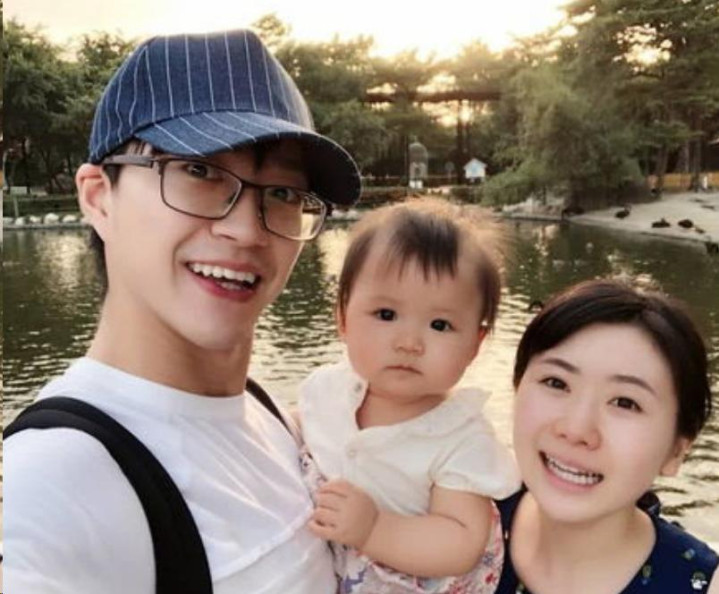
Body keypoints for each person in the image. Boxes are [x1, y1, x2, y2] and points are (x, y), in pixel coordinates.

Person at [4, 29, 362, 594]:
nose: (246, 230)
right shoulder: (55, 482)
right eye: (199, 172)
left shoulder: (264, 410)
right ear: (99, 197)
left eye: (283, 194)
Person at [298, 199, 521, 593]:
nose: (409, 343)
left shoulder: (462, 439)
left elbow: (460, 543)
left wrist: (374, 528)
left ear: (475, 344)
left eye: (440, 325)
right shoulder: (329, 389)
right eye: (386, 315)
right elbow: (297, 432)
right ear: (343, 317)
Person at [496, 279, 718, 593]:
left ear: (676, 451)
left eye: (625, 402)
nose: (576, 430)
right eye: (556, 383)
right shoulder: (448, 519)